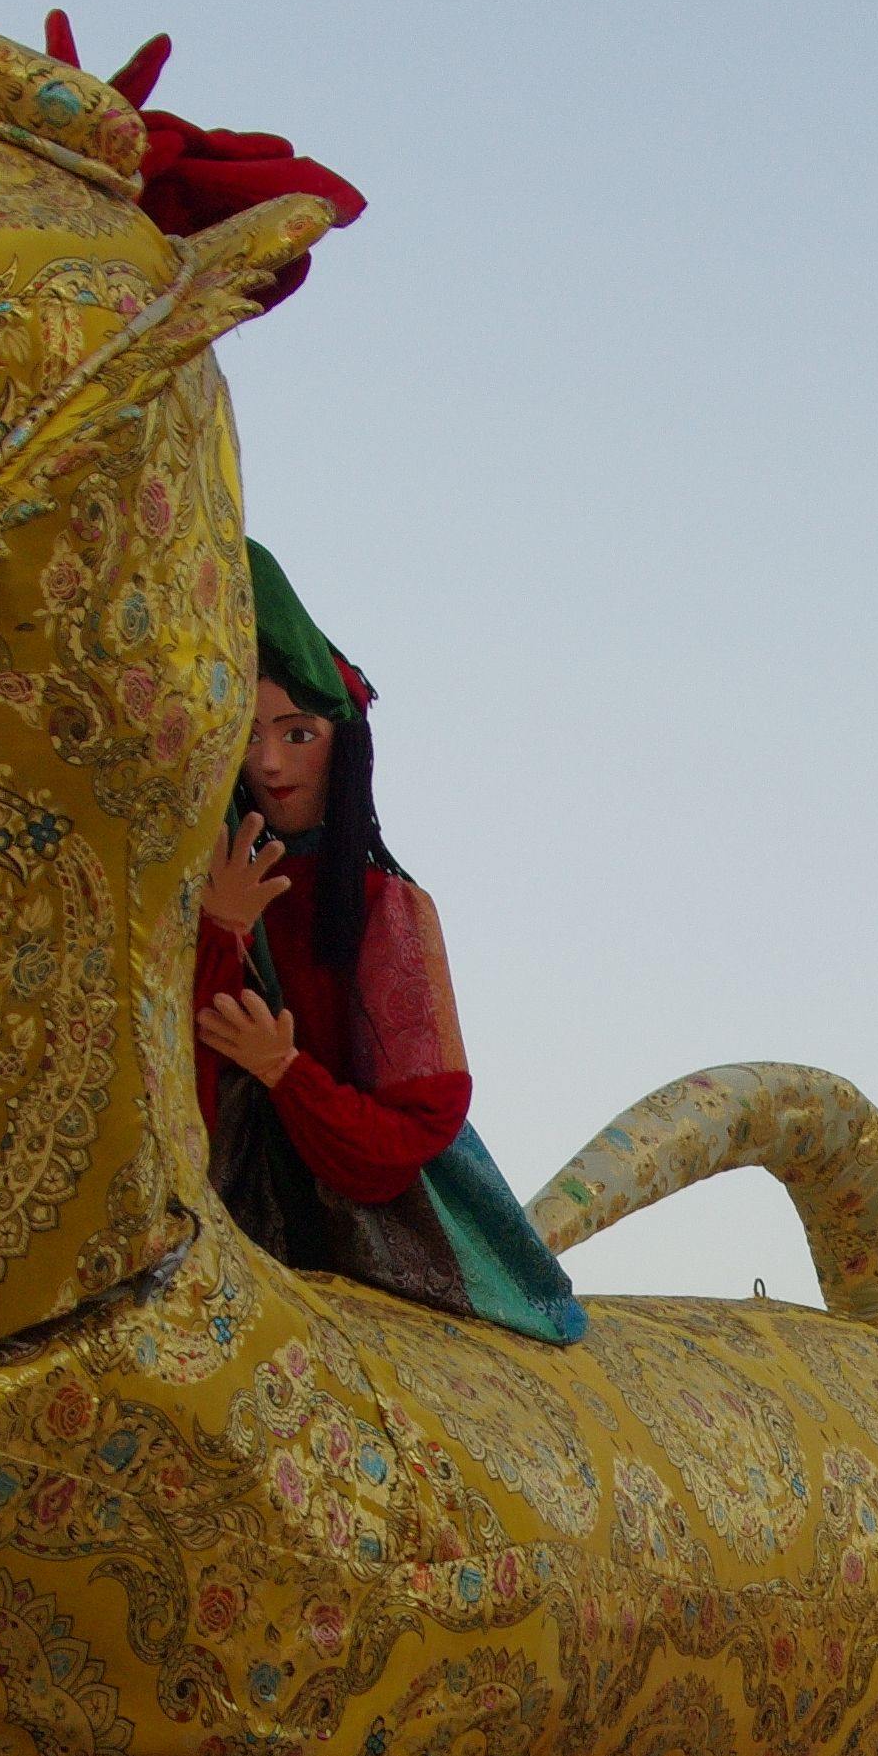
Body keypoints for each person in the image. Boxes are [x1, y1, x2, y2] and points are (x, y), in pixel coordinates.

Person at [191, 546, 585, 1342]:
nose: (269, 762)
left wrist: (286, 1072)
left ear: (342, 744)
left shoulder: (386, 910)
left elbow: (415, 1128)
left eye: (296, 734)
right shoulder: (203, 883)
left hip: (367, 1218)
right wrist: (219, 931)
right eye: (249, 733)